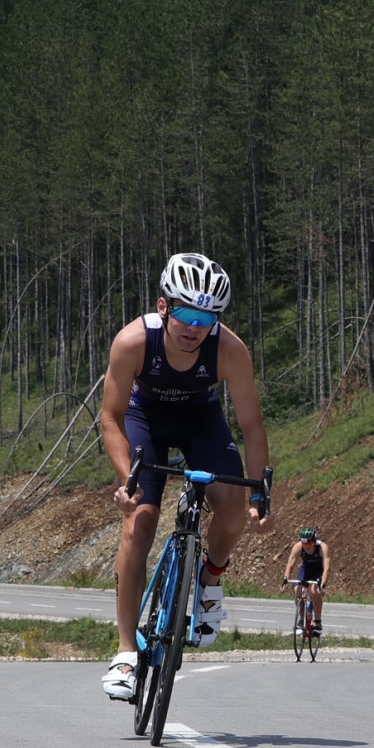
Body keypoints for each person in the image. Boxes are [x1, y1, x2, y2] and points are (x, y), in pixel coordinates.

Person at [99, 252, 274, 700]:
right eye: (186, 313)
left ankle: (210, 580)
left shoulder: (230, 349)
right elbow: (111, 418)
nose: (195, 326)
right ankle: (125, 653)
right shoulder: (133, 342)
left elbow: (253, 427)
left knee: (232, 505)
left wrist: (261, 496)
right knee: (139, 523)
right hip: (145, 421)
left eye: (207, 316)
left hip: (201, 420)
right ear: (164, 307)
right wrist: (128, 483)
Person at [283, 525, 330, 634]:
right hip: (306, 569)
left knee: (315, 591)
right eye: (304, 544)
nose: (307, 547)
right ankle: (300, 620)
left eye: (310, 544)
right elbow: (290, 564)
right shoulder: (298, 546)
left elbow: (327, 568)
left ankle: (317, 621)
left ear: (315, 541)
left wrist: (322, 585)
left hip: (319, 570)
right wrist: (285, 579)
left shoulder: (323, 547)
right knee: (297, 590)